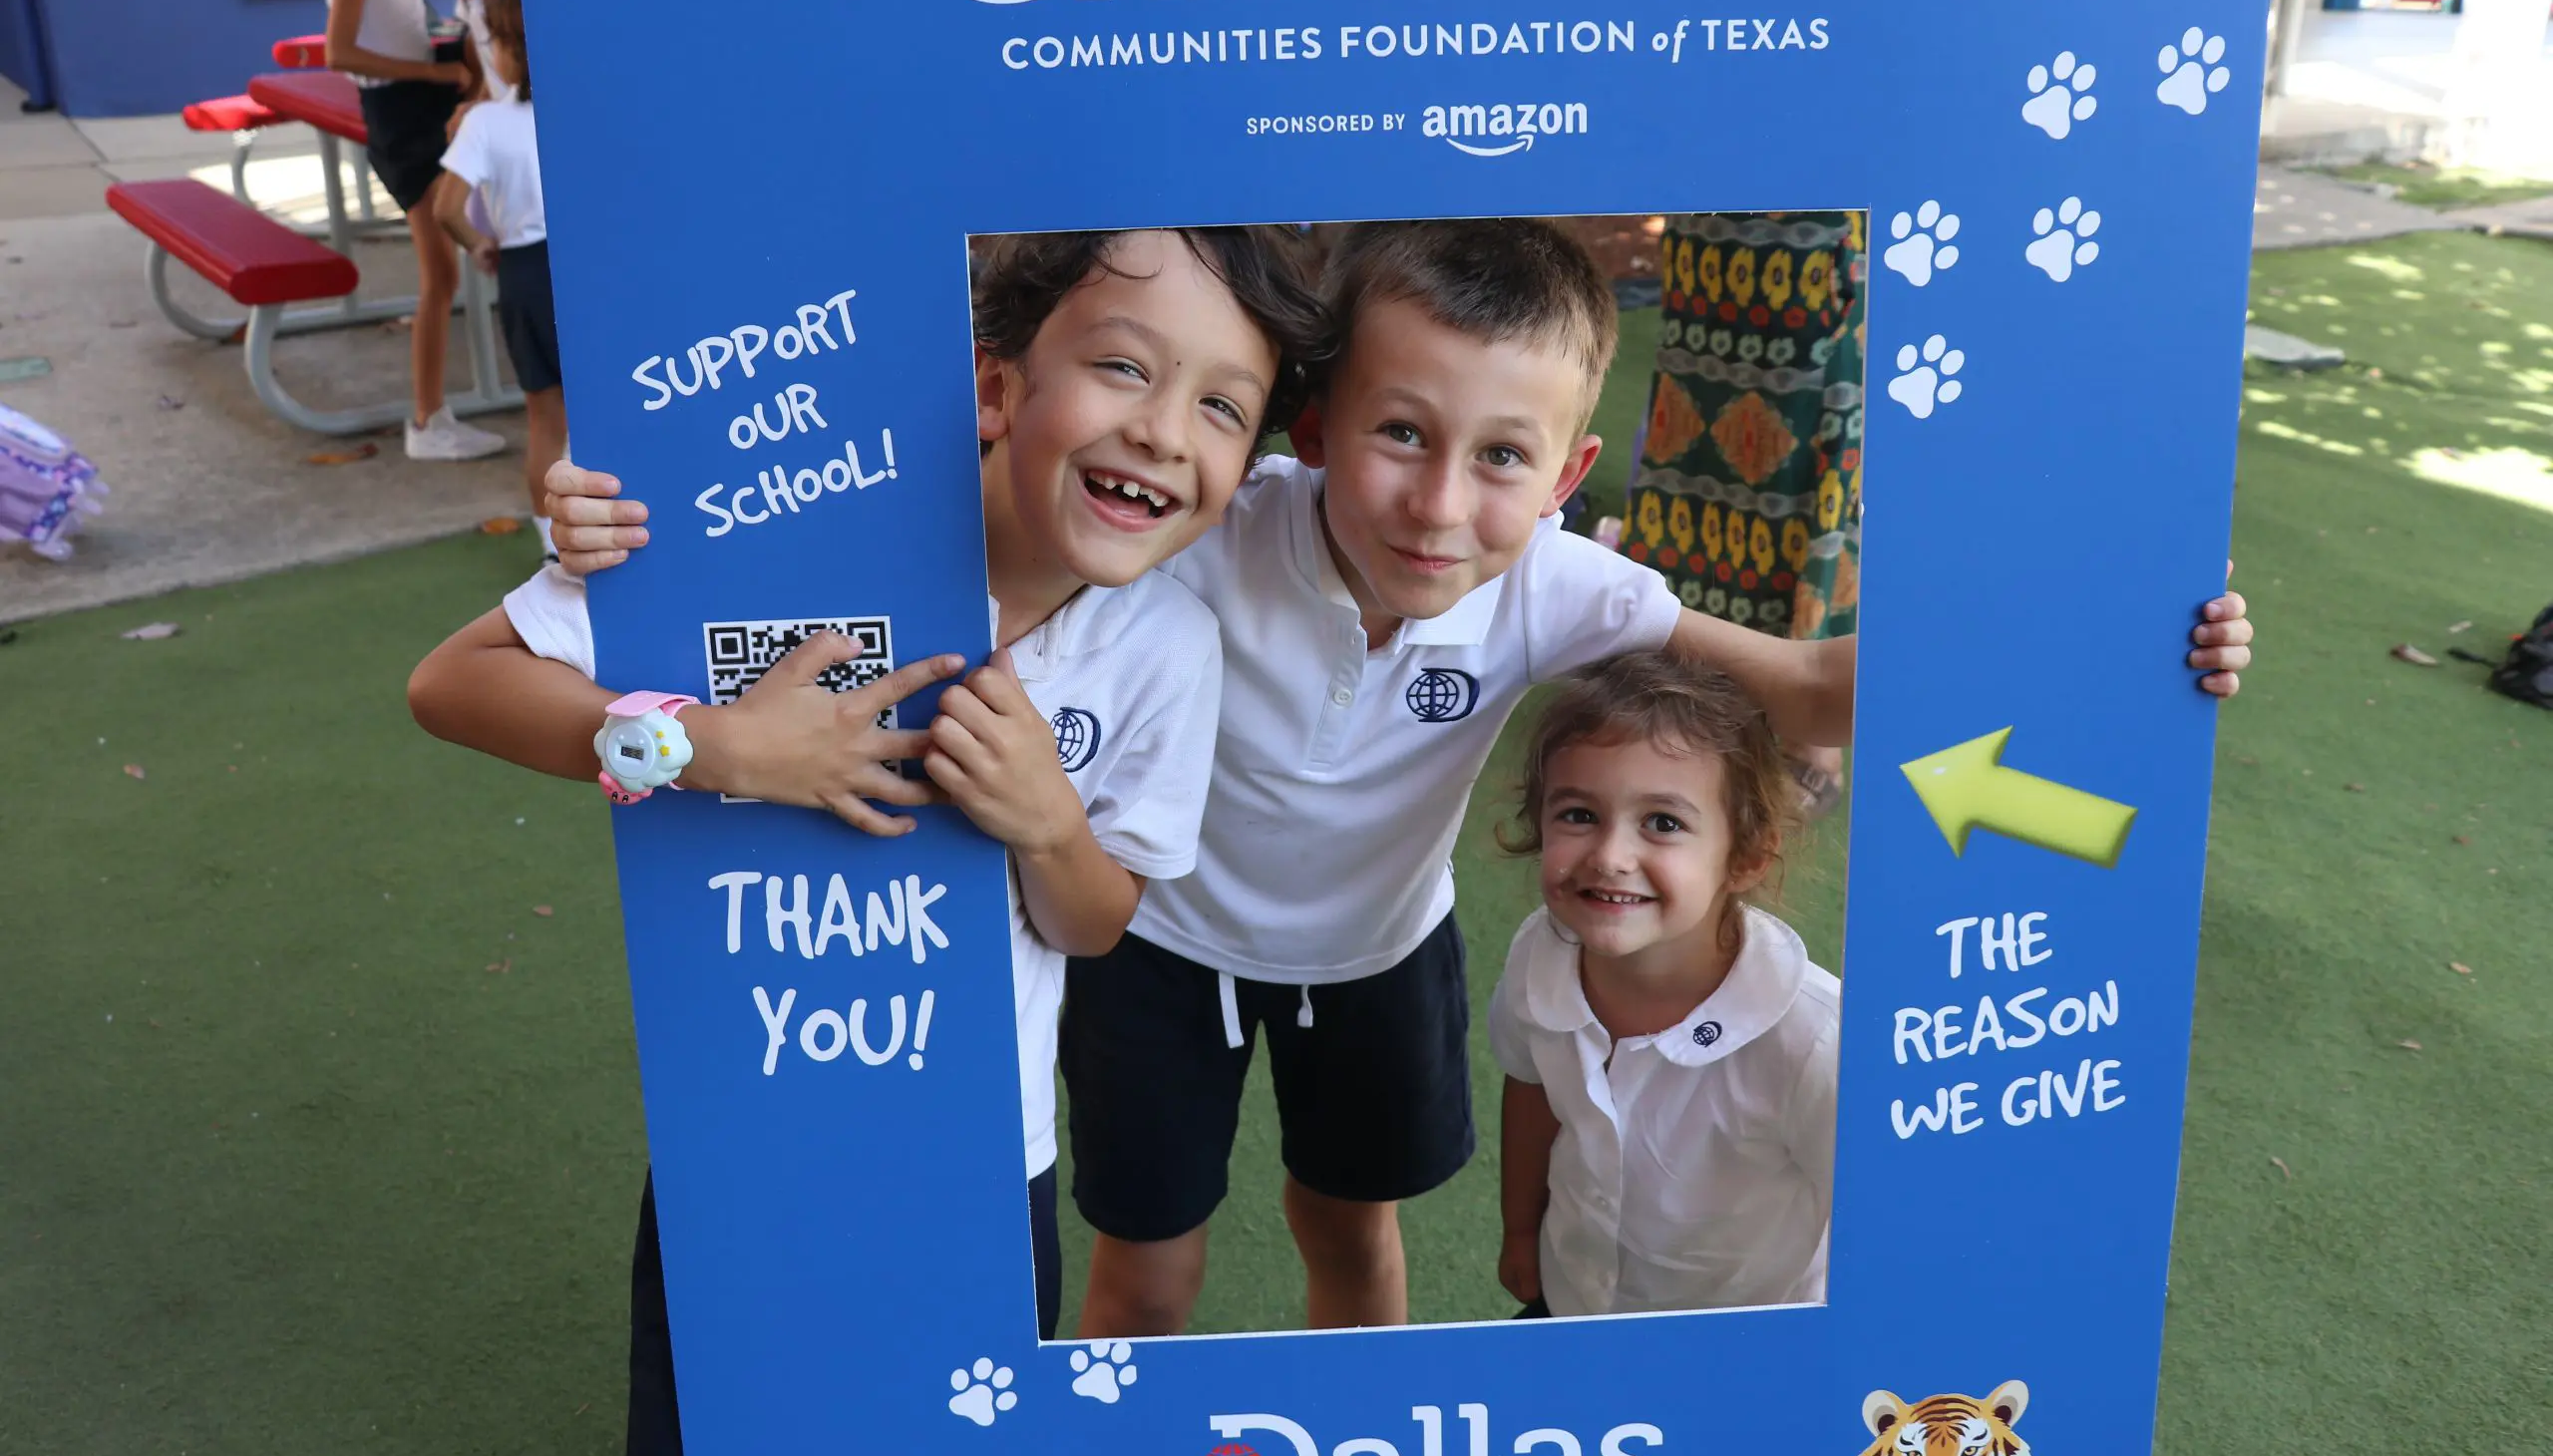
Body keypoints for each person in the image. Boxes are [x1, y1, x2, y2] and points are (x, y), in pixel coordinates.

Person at [545, 218, 2255, 1338]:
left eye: (1504, 457)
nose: (1442, 502)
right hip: (1154, 951)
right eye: (1398, 432)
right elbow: (984, 438)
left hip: (1377, 958)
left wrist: (2118, 650)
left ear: (1568, 471)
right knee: (1146, 1254)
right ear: (1304, 429)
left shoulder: (1559, 581)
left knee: (1356, 1245)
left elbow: (1812, 690)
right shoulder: (1209, 520)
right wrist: (628, 506)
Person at [409, 224, 1326, 1456]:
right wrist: (718, 751)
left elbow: (1096, 924)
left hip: (982, 1162)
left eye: (1223, 405)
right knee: (708, 1449)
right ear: (997, 386)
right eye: (1124, 367)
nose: (1166, 429)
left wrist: (1046, 821)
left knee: (951, 1451)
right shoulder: (786, 546)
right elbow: (456, 684)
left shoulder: (1162, 647)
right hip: (746, 1135)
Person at [1491, 651, 1833, 1319]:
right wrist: (1521, 1230)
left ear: (1745, 857)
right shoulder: (1542, 952)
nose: (1611, 856)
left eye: (1663, 822)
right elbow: (1530, 1082)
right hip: (1573, 1305)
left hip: (1742, 1360)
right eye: (1578, 814)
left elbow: (1880, 1227)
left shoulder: (1815, 1038)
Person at [1625, 211, 1868, 814]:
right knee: (1691, 443)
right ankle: (1687, 697)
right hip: (1712, 233)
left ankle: (1813, 744)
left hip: (1809, 232)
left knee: (1805, 458)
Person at [324, 0, 504, 462]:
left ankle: (433, 416)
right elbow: (339, 53)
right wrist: (435, 76)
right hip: (403, 119)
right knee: (441, 275)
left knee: (446, 271)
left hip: (422, 112)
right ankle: (427, 419)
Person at [433, 0, 565, 552]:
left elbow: (446, 208)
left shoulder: (485, 121)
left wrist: (481, 245)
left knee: (546, 418)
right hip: (586, 269)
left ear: (510, 48)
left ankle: (553, 544)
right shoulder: (586, 111)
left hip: (525, 271)